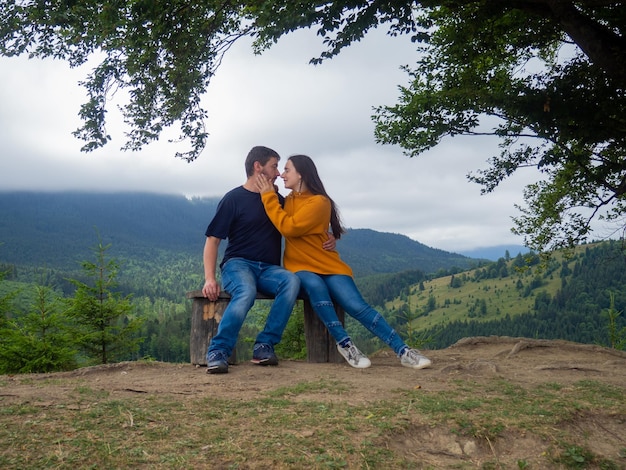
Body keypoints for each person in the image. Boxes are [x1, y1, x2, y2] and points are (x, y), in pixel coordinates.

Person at [256, 154, 432, 370]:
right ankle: (345, 344)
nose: (282, 174)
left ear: (301, 173)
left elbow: (289, 228)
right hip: (300, 267)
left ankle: (403, 350)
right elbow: (288, 221)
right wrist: (269, 192)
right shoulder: (289, 199)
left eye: (287, 170)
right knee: (315, 286)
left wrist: (268, 197)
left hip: (328, 265)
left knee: (357, 305)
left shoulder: (319, 201)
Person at [202, 146, 335, 374]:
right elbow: (213, 241)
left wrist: (330, 237)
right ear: (258, 167)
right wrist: (209, 279)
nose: (278, 174)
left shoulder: (278, 201)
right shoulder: (233, 199)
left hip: (269, 269)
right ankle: (218, 350)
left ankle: (264, 345)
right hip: (238, 264)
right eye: (274, 166)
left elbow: (303, 225)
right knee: (246, 291)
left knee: (291, 281)